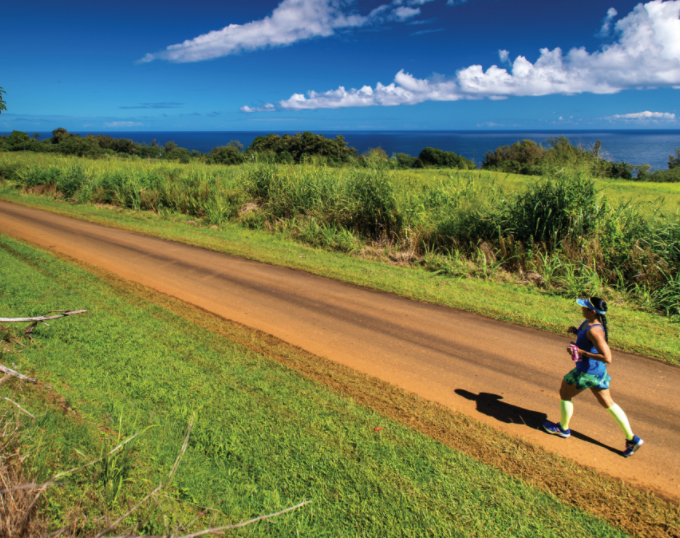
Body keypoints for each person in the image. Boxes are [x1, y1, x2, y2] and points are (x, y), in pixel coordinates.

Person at [542, 297, 644, 457]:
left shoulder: (594, 330)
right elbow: (588, 339)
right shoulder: (589, 323)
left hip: (586, 372)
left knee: (565, 393)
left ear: (593, 312)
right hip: (597, 372)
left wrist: (581, 352)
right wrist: (576, 332)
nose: (581, 308)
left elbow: (607, 357)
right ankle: (632, 438)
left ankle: (563, 428)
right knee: (608, 403)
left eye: (584, 307)